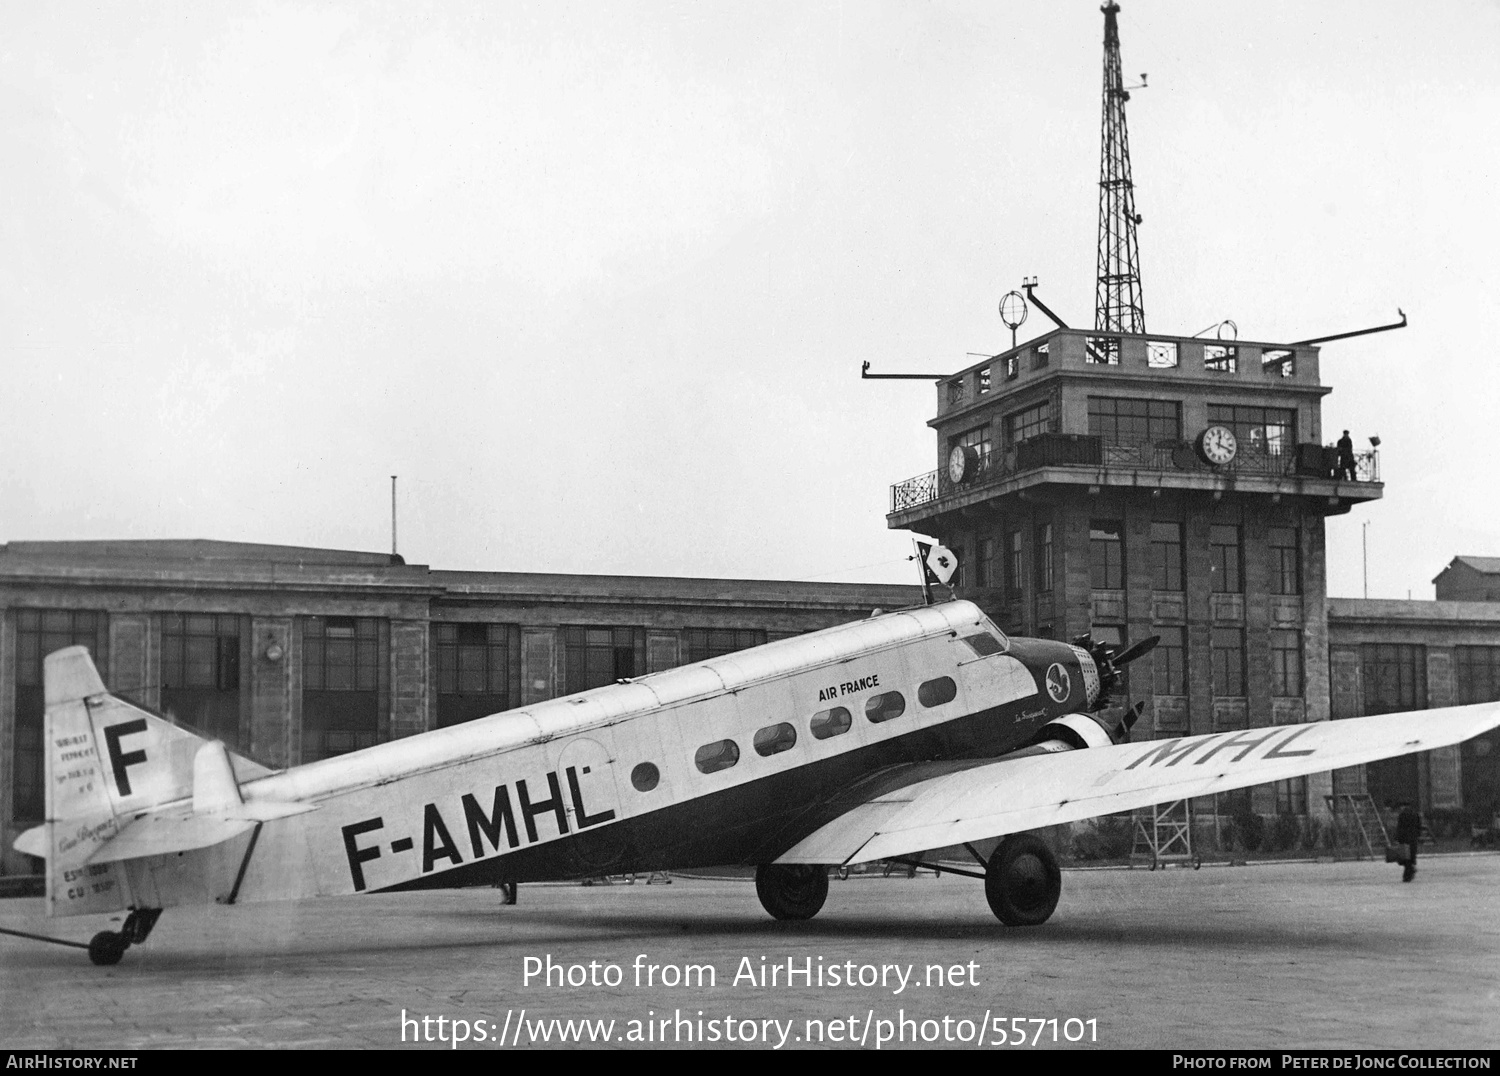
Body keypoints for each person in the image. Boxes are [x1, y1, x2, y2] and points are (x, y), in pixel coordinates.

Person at [1395, 802, 1422, 882]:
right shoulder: (1415, 814)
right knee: (1411, 856)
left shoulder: (1402, 815)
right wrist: (1417, 835)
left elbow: (1399, 827)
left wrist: (1397, 838)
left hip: (1404, 839)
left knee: (1405, 857)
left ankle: (1407, 875)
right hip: (1413, 838)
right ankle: (1409, 872)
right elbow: (1419, 826)